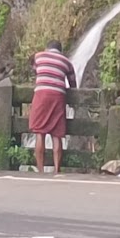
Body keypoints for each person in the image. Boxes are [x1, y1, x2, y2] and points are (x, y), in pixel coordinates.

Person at [29, 41, 77, 175]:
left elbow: (35, 70)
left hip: (41, 95)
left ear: (47, 48)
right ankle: (57, 170)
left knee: (40, 132)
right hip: (58, 96)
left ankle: (40, 170)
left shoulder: (38, 56)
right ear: (60, 51)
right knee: (57, 134)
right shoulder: (66, 62)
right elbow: (73, 83)